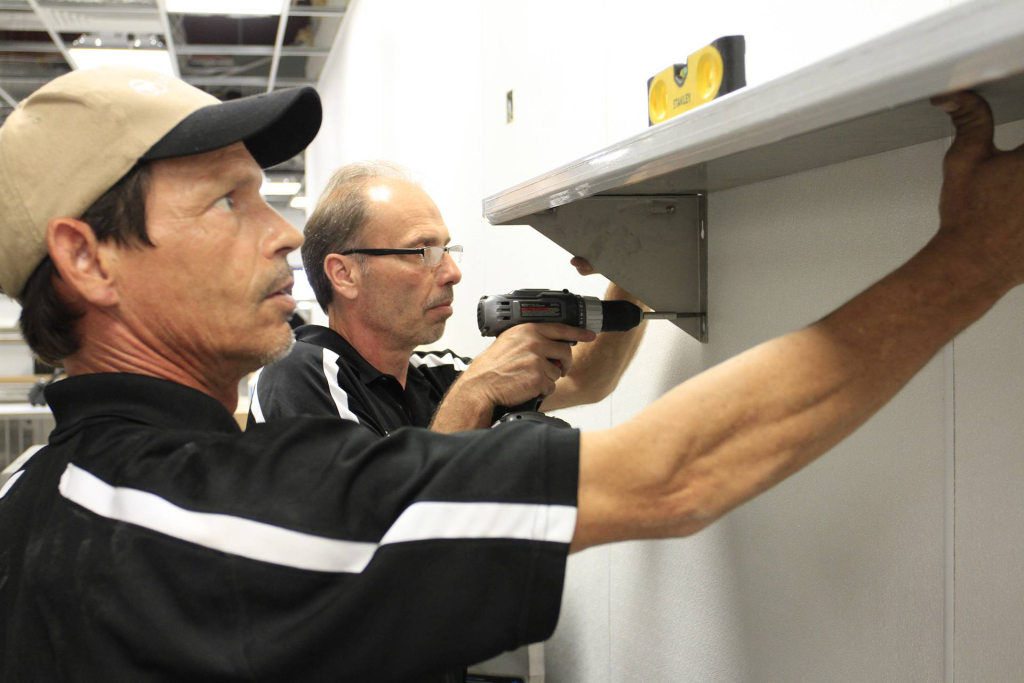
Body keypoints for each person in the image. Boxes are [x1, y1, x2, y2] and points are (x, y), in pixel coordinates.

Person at [0, 65, 1021, 683]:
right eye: (227, 204)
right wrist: (970, 260)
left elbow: (584, 391)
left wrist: (622, 273)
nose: (280, 237)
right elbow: (670, 475)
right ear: (89, 258)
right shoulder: (191, 511)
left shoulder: (50, 488)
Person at [247, 161, 647, 436]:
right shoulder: (298, 374)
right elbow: (378, 531)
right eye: (423, 252)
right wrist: (476, 392)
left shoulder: (436, 374)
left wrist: (635, 268)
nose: (452, 273)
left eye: (446, 250)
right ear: (344, 274)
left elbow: (585, 380)